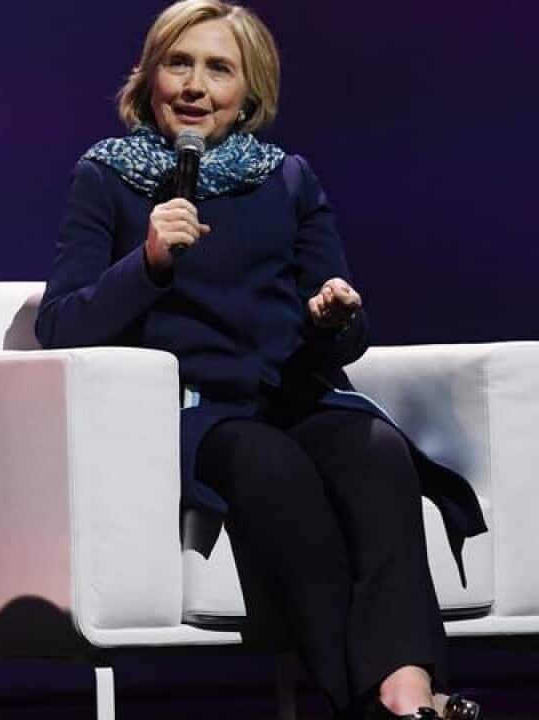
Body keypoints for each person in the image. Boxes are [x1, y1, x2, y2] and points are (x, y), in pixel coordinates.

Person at [34, 2, 486, 718]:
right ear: (150, 77)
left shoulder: (288, 179)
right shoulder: (106, 177)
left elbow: (342, 335)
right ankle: (384, 708)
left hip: (297, 396)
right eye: (178, 63)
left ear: (250, 93)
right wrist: (147, 261)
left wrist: (335, 315)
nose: (194, 85)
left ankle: (406, 689)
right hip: (198, 414)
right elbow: (59, 327)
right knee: (270, 469)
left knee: (377, 453)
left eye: (219, 68)